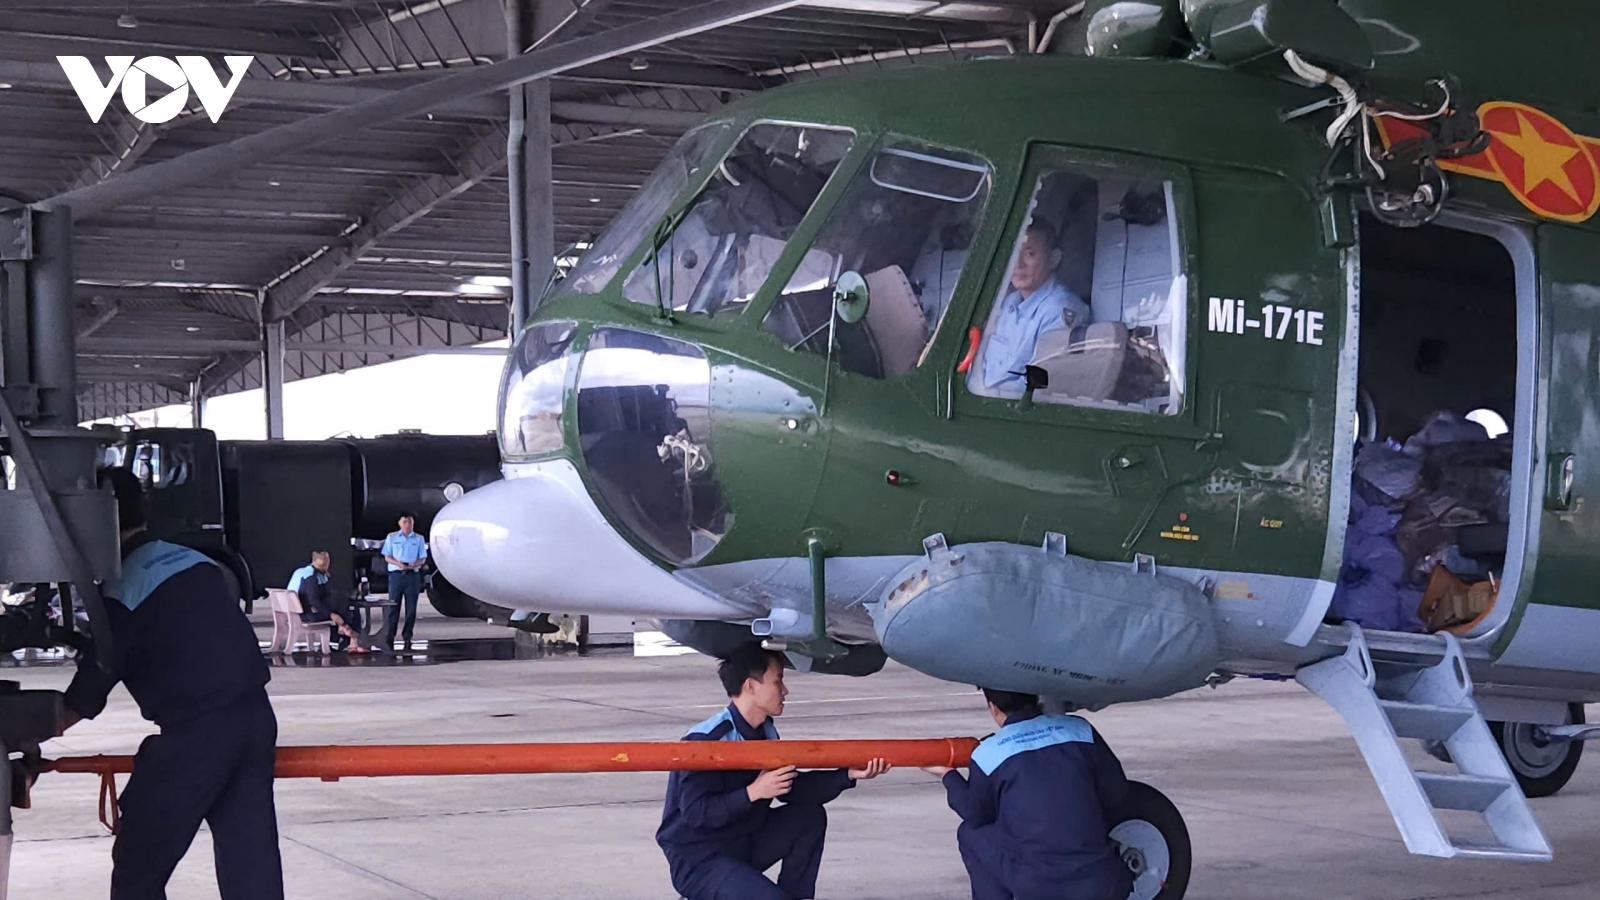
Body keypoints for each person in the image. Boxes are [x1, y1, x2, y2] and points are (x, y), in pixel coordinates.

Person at [62, 467, 284, 900]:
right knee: (250, 868)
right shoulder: (194, 561)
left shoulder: (124, 591)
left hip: (198, 736)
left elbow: (85, 697)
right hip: (256, 722)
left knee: (138, 866)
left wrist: (28, 733)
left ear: (94, 522)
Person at [657, 644, 891, 900]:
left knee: (808, 818)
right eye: (778, 681)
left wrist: (846, 775)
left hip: (742, 842)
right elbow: (696, 814)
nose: (785, 690)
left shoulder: (767, 733)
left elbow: (791, 788)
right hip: (700, 859)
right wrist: (753, 792)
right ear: (751, 686)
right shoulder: (705, 741)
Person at [924, 689, 1132, 900]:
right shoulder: (1080, 730)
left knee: (970, 833)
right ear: (1036, 697)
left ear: (994, 708)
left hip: (1041, 888)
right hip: (1105, 883)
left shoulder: (989, 753)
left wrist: (948, 775)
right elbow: (1117, 793)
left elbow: (977, 815)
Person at [974, 219, 1091, 398]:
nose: (1018, 264)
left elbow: (1042, 385)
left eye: (1030, 254)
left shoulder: (1059, 310)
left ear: (1053, 259)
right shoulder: (1008, 303)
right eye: (1013, 253)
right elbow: (979, 361)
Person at [293, 551, 368, 654]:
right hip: (309, 613)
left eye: (327, 560)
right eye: (323, 561)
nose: (326, 563)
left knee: (348, 605)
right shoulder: (311, 576)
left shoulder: (318, 573)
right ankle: (350, 638)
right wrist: (331, 615)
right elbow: (313, 601)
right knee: (348, 608)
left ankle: (346, 633)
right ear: (315, 560)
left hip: (310, 609)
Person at [381, 512, 427, 650]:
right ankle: (390, 636)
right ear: (400, 523)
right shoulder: (392, 537)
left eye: (410, 522)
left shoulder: (419, 539)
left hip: (412, 576)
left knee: (411, 608)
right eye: (405, 522)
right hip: (396, 575)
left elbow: (423, 558)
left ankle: (407, 636)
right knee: (393, 606)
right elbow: (387, 556)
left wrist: (414, 564)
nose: (407, 525)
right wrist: (398, 563)